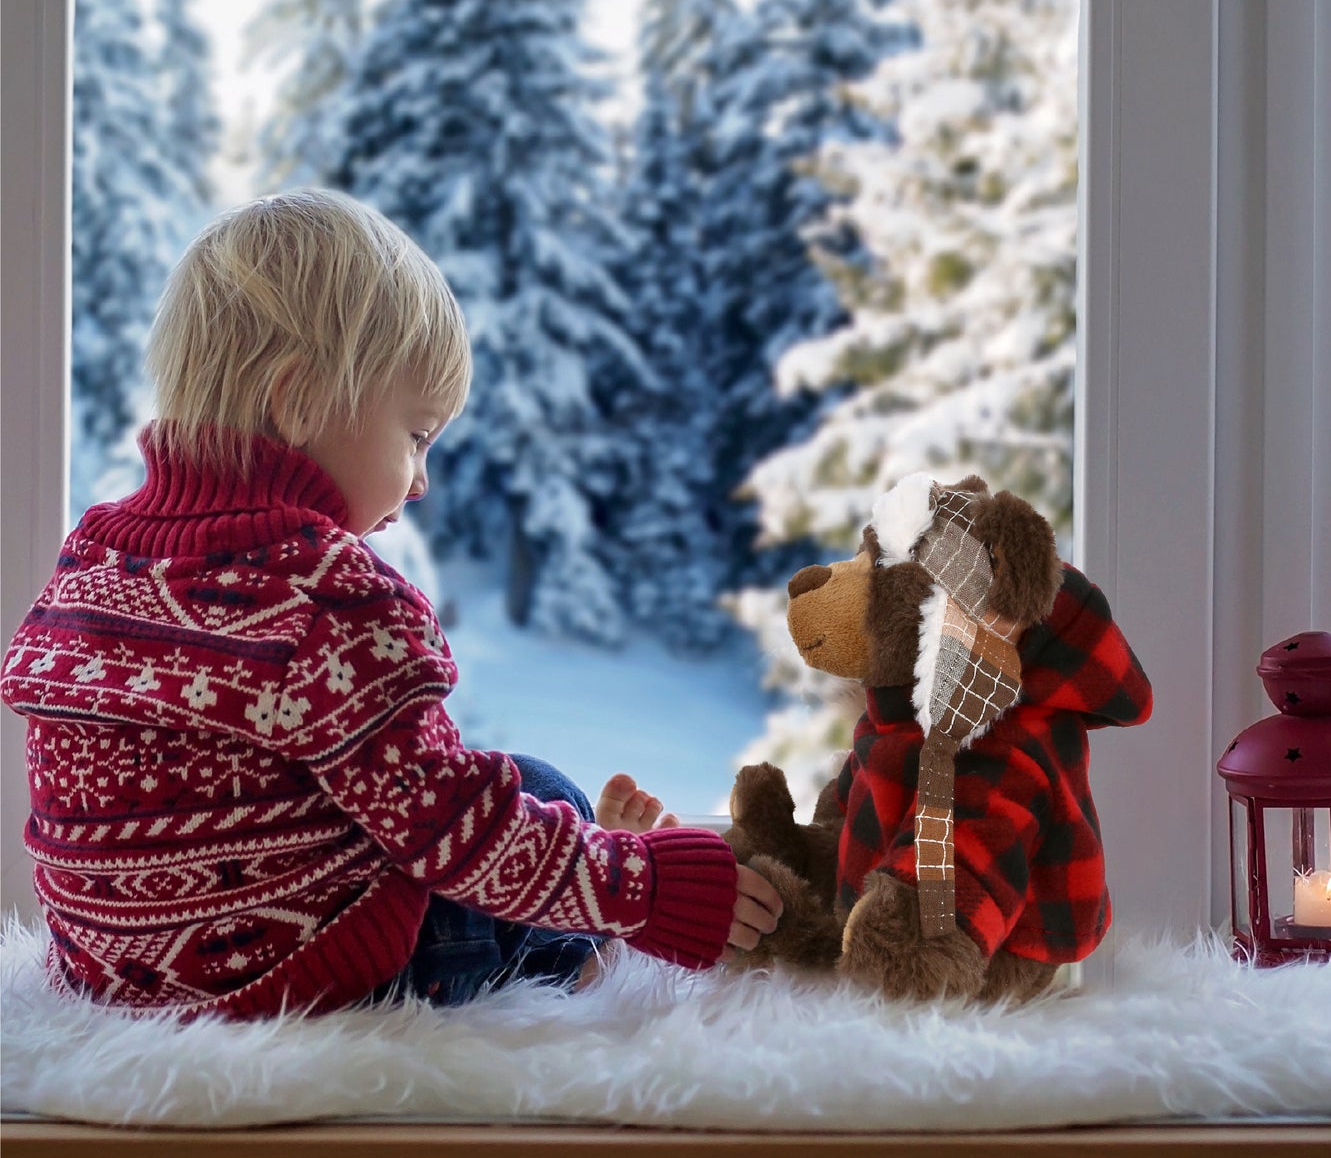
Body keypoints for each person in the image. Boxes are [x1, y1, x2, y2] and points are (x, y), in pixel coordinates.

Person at [1, 189, 780, 1017]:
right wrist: (650, 889)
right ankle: (583, 943)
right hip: (305, 977)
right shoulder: (332, 597)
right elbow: (453, 831)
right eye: (414, 435)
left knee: (456, 794)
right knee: (537, 788)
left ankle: (583, 884)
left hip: (107, 974)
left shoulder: (94, 554)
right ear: (297, 400)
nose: (419, 481)